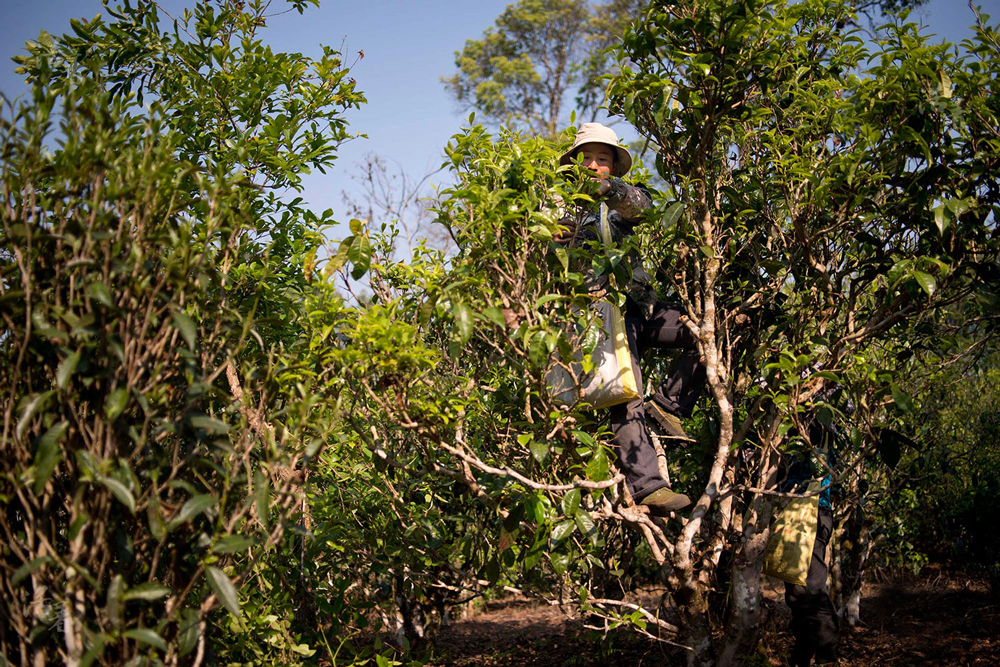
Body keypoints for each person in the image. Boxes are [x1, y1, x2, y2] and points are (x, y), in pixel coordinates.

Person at [555, 123, 706, 515]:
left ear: (613, 167)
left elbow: (644, 207)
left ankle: (669, 405)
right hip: (601, 316)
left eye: (601, 159)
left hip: (641, 306)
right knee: (625, 393)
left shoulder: (623, 197)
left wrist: (611, 191)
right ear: (572, 164)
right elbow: (547, 245)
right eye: (585, 158)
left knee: (705, 332)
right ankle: (648, 488)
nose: (592, 165)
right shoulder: (558, 205)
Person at [780, 416, 841, 666]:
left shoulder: (818, 422)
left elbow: (813, 436)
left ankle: (826, 656)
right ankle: (802, 654)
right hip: (796, 511)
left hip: (811, 510)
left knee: (811, 588)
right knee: (795, 591)